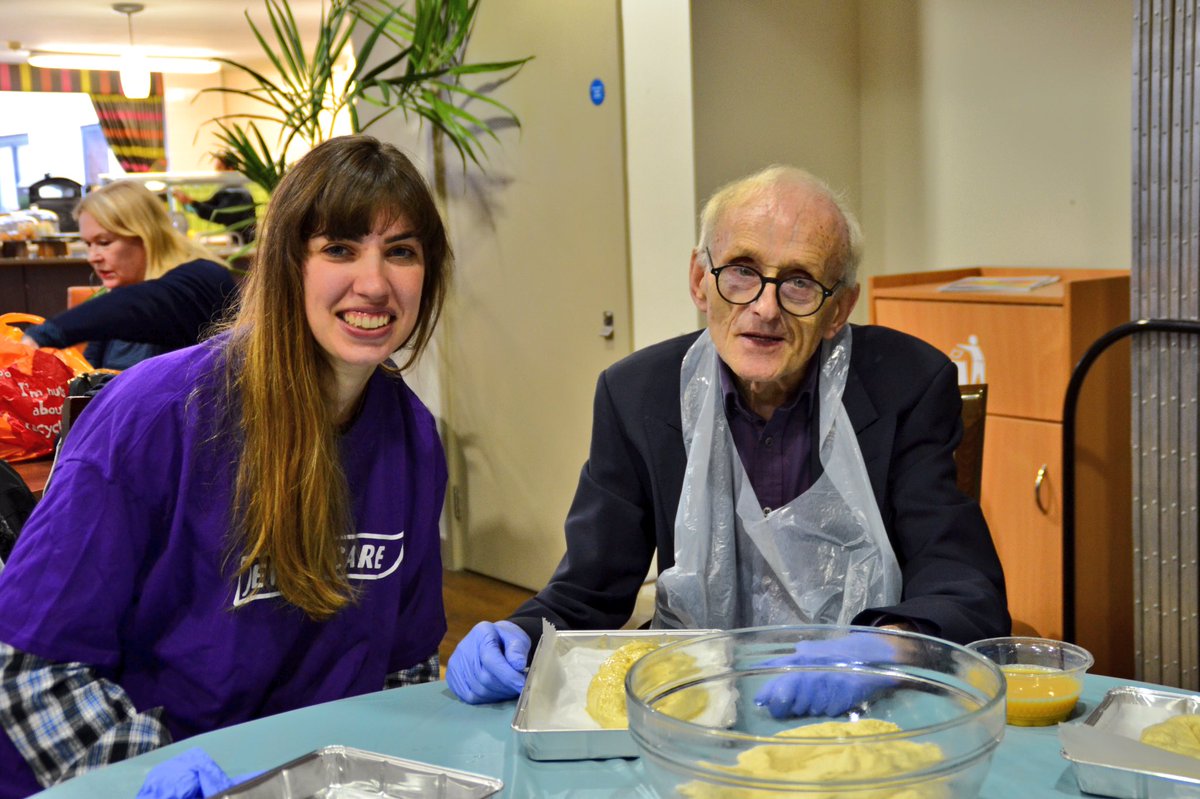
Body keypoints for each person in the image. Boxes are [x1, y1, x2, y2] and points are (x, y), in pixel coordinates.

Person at [446, 165, 1010, 706]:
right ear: (700, 280)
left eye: (799, 282)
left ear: (838, 309)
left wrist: (882, 649)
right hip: (698, 696)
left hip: (865, 701)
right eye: (741, 269)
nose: (764, 308)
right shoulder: (637, 396)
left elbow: (964, 585)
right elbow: (590, 588)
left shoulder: (905, 386)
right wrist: (517, 633)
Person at [0, 134, 452, 798]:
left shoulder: (411, 437)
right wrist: (152, 776)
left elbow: (406, 665)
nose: (375, 283)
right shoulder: (155, 416)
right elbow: (31, 669)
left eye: (402, 252)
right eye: (339, 248)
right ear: (285, 264)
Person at [21, 181, 238, 371]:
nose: (93, 257)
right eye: (88, 244)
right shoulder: (115, 298)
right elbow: (89, 376)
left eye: (104, 243)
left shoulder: (204, 278)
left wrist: (44, 334)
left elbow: (144, 303)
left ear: (146, 235)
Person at [173, 151, 257, 244]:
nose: (217, 173)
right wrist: (189, 202)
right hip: (237, 241)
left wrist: (192, 202)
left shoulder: (239, 194)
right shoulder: (226, 190)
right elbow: (209, 205)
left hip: (245, 244)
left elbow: (218, 214)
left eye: (220, 168)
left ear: (231, 170)